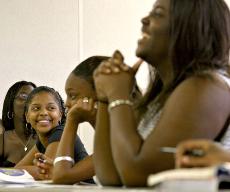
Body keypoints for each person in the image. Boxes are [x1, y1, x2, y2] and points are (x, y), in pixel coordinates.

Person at [93, 0, 230, 187]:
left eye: (157, 13)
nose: (144, 20)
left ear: (189, 27)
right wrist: (104, 97)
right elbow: (110, 175)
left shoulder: (205, 87)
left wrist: (118, 94)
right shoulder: (161, 97)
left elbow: (138, 174)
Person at [34, 56, 110, 184]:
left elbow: (62, 177)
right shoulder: (108, 139)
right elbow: (62, 175)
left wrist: (71, 121)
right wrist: (56, 170)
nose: (67, 103)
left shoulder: (123, 133)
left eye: (73, 95)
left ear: (100, 94)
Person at [15, 86, 91, 182]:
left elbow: (45, 171)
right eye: (36, 108)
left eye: (51, 108)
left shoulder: (60, 132)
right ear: (27, 117)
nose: (43, 113)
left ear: (60, 115)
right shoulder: (42, 140)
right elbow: (17, 170)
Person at [0, 81, 37, 167]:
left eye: (33, 97)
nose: (29, 102)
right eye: (23, 96)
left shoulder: (44, 138)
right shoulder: (3, 137)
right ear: (10, 103)